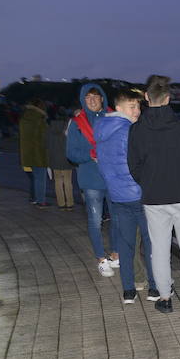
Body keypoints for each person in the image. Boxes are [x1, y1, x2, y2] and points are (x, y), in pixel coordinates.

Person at [127, 75, 180, 314]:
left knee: (159, 248)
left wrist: (148, 182)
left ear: (146, 97)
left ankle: (165, 298)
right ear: (168, 98)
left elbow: (133, 165)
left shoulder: (137, 130)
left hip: (154, 197)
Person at [95, 88, 159, 305]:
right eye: (132, 106)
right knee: (151, 244)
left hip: (118, 196)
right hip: (140, 195)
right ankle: (154, 287)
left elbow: (103, 166)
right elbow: (144, 164)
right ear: (119, 108)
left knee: (125, 244)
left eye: (139, 106)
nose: (138, 111)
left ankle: (129, 291)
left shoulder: (102, 129)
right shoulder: (130, 130)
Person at [66, 83, 120, 277]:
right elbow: (71, 153)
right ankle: (100, 258)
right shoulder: (77, 123)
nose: (92, 100)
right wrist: (91, 154)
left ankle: (115, 254)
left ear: (102, 98)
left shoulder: (113, 118)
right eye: (88, 97)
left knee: (117, 218)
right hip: (91, 180)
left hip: (113, 177)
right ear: (83, 100)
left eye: (95, 96)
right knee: (95, 220)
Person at [19, 99, 50, 206]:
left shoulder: (24, 117)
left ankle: (35, 198)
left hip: (27, 153)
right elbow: (43, 137)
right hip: (39, 153)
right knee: (41, 178)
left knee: (35, 177)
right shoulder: (40, 118)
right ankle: (41, 201)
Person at [47, 113, 75, 210]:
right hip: (66, 160)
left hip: (54, 160)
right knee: (67, 181)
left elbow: (48, 147)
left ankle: (61, 203)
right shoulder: (67, 131)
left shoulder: (50, 131)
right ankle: (70, 203)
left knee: (58, 182)